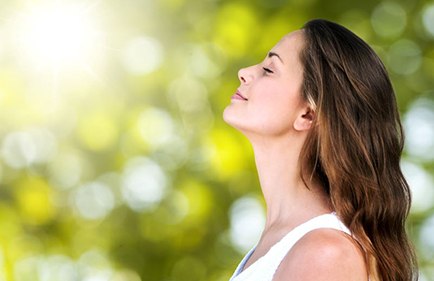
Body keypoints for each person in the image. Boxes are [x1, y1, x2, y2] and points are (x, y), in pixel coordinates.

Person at [223, 19, 418, 281]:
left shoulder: (325, 253)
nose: (245, 72)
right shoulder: (278, 247)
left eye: (269, 69)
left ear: (308, 114)